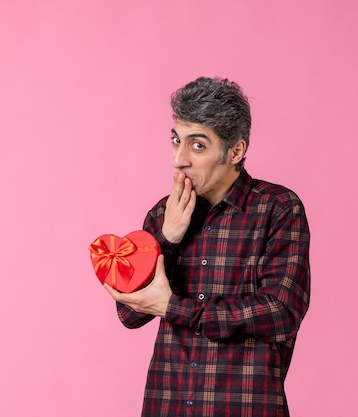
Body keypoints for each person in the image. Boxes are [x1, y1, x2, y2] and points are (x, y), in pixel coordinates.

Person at [104, 77, 311, 417]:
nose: (179, 160)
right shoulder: (162, 214)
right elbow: (130, 313)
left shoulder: (278, 208)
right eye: (176, 141)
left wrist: (174, 307)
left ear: (235, 151)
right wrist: (167, 240)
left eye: (197, 145)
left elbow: (281, 313)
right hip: (166, 406)